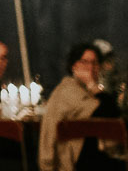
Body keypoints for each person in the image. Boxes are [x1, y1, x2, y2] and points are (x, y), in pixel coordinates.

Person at [39, 43, 118, 171]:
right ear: (74, 66)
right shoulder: (68, 90)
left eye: (95, 63)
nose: (91, 67)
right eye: (85, 62)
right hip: (77, 162)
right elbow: (108, 111)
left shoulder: (87, 92)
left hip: (94, 158)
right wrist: (93, 85)